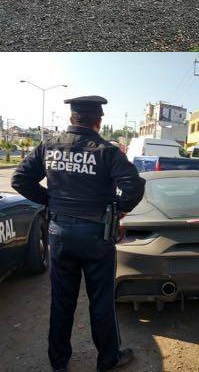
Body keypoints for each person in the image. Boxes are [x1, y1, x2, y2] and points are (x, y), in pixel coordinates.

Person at [12, 95, 146, 372]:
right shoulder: (106, 150)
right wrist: (118, 210)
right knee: (101, 300)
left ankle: (58, 362)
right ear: (98, 122)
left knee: (62, 300)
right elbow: (133, 185)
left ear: (72, 118)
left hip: (59, 233)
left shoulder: (48, 146)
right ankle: (108, 360)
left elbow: (19, 179)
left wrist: (50, 200)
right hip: (97, 236)